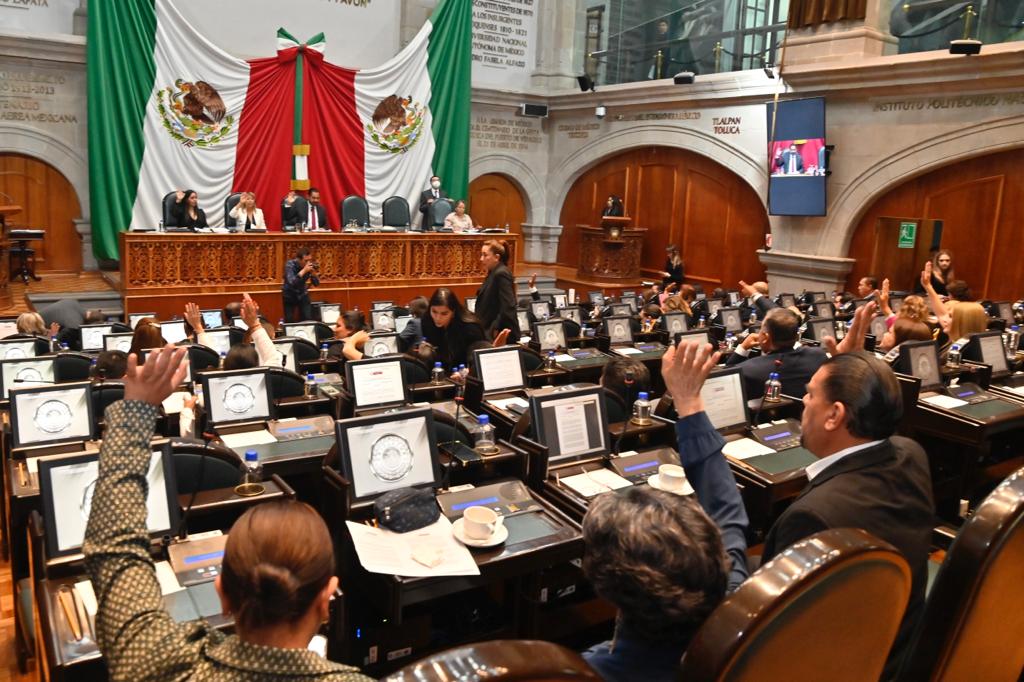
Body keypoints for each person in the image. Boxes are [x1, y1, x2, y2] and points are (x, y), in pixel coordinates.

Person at [83, 345, 373, 682]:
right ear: (326, 602)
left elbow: (116, 549)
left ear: (222, 594)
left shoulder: (152, 664)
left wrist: (135, 411)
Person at [761, 344, 934, 679]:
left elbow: (776, 634)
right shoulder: (911, 453)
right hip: (896, 644)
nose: (803, 402)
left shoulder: (814, 517)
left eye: (811, 394)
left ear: (835, 415)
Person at [582, 341, 749, 682]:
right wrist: (690, 403)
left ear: (608, 588)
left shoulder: (586, 672)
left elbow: (727, 514)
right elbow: (726, 510)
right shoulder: (734, 609)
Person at [726, 306, 829, 399]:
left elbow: (728, 378)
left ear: (766, 337)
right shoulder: (818, 356)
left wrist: (743, 348)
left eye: (761, 329)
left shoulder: (749, 370)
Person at [420, 288, 486, 369]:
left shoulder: (470, 328)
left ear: (453, 312)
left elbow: (478, 362)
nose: (437, 318)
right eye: (434, 311)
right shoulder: (427, 321)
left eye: (444, 314)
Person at [474, 240, 519, 343]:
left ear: (496, 257)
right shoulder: (493, 273)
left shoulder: (501, 274)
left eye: (485, 255)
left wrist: (495, 329)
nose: (481, 259)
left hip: (499, 334)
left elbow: (508, 306)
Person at [282, 248, 320, 323]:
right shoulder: (290, 265)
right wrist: (304, 271)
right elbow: (291, 282)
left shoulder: (309, 266)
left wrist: (313, 274)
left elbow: (316, 284)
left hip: (302, 294)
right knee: (289, 320)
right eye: (306, 261)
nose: (308, 263)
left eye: (309, 260)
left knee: (307, 319)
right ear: (298, 259)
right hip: (289, 294)